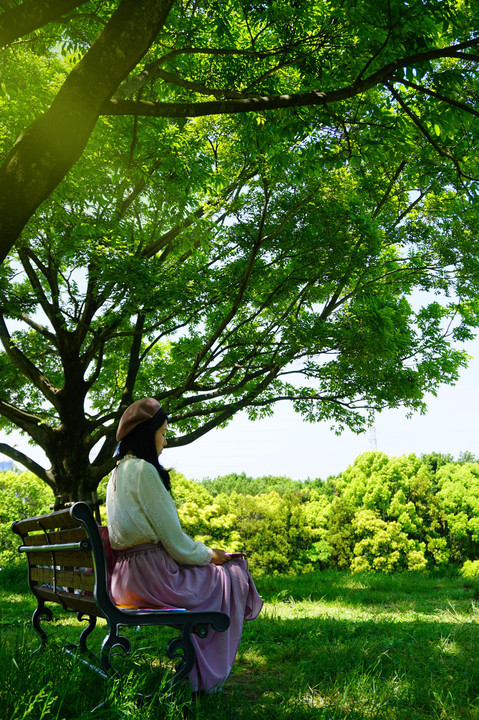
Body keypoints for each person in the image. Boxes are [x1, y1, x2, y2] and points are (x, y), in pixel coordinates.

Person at [106, 397, 263, 694]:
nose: (165, 442)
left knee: (221, 572)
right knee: (232, 572)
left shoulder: (115, 475)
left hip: (124, 580)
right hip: (154, 578)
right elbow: (176, 543)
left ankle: (199, 663)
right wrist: (211, 555)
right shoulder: (143, 471)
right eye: (163, 433)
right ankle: (204, 673)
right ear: (146, 433)